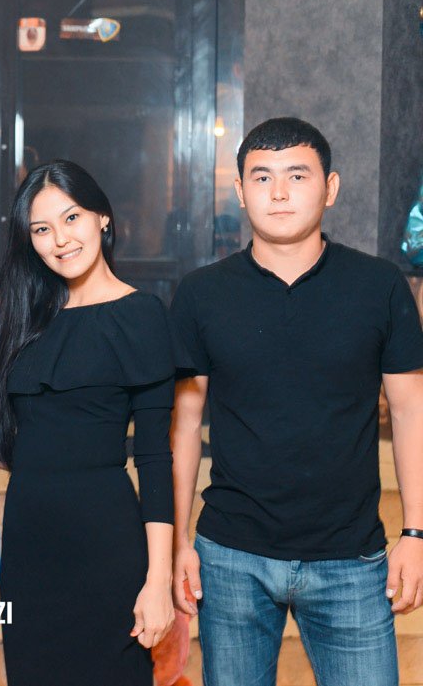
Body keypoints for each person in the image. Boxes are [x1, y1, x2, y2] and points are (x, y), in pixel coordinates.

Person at [170, 117, 423, 686]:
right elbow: (183, 425)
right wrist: (179, 541)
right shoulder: (201, 293)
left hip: (351, 558)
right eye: (262, 177)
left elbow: (412, 413)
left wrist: (416, 533)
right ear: (240, 191)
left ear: (330, 188)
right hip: (231, 556)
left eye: (297, 175)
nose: (278, 193)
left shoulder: (379, 286)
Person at [0, 160, 177, 685]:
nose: (60, 240)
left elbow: (155, 458)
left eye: (72, 218)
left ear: (102, 218)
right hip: (28, 546)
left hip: (106, 544)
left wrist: (158, 579)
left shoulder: (141, 314)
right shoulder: (24, 320)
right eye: (41, 229)